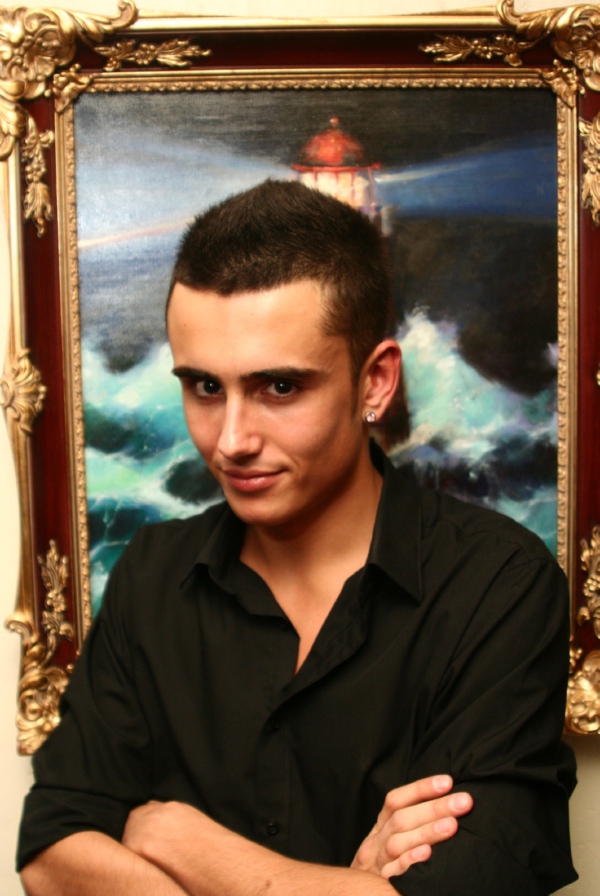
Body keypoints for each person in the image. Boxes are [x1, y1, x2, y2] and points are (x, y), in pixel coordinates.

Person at [18, 180, 577, 896]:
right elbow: (51, 854)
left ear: (375, 384)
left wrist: (177, 839)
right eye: (204, 387)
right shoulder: (151, 573)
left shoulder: (499, 585)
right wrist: (341, 886)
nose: (231, 440)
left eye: (279, 387)